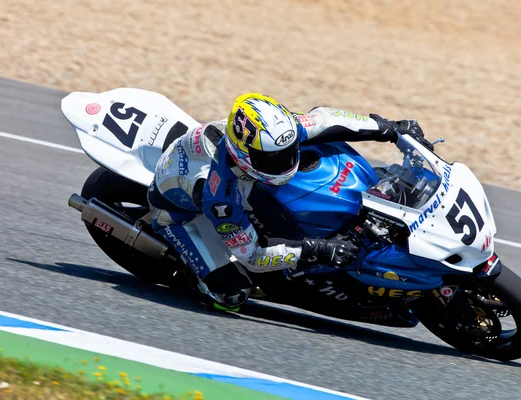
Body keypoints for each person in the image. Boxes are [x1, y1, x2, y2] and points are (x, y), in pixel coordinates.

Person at [148, 93, 429, 310]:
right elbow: (254, 257)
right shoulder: (220, 195)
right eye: (272, 159)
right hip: (179, 215)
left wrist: (392, 129)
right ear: (242, 153)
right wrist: (316, 248)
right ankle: (196, 270)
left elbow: (327, 119)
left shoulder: (276, 134)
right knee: (231, 295)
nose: (284, 161)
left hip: (222, 175)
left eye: (287, 151)